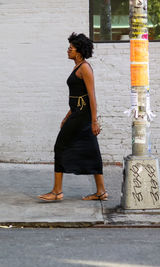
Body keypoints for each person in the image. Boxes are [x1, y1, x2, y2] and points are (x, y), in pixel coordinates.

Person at [38, 33, 108, 202]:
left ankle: (57, 192)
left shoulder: (85, 68)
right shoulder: (77, 67)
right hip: (77, 115)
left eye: (71, 48)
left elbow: (91, 96)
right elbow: (78, 96)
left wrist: (94, 121)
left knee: (60, 146)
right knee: (92, 152)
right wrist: (67, 115)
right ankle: (101, 192)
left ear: (79, 52)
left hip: (83, 118)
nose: (68, 50)